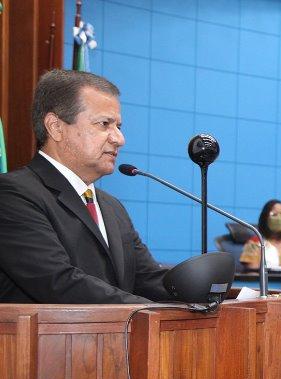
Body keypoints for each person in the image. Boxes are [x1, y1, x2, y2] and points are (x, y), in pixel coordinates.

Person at [0, 69, 170, 304]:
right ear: (55, 127)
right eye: (104, 124)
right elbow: (59, 282)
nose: (119, 139)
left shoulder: (111, 206)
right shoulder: (13, 194)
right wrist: (149, 311)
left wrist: (211, 288)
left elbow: (146, 278)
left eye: (118, 126)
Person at [239, 199, 281, 269]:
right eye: (274, 214)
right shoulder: (255, 243)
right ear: (264, 217)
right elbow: (252, 272)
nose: (279, 218)